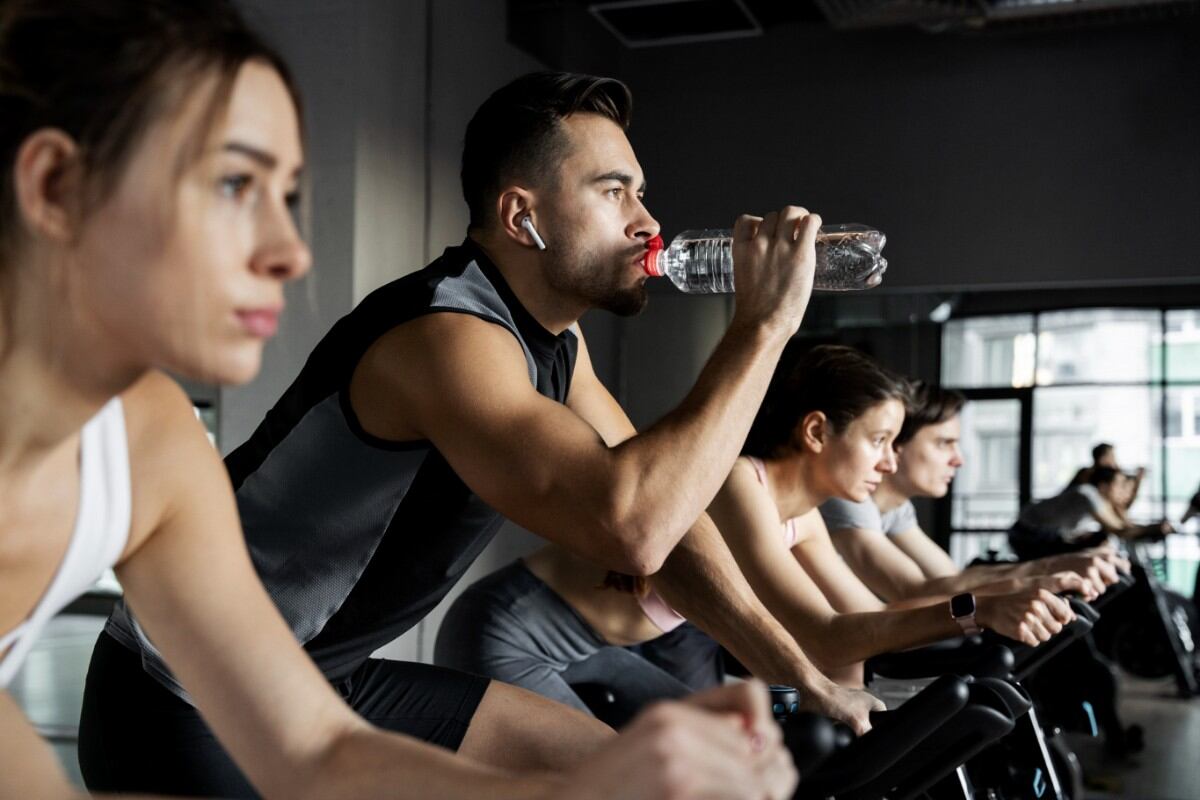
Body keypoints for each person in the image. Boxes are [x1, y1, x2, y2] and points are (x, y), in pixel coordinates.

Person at [2, 4, 794, 799]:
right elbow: (636, 523)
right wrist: (760, 329)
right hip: (178, 710)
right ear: (54, 187)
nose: (293, 251)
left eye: (289, 193)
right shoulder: (447, 339)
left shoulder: (154, 440)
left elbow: (315, 749)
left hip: (319, 678)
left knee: (586, 758)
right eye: (236, 182)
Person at [435, 345, 1080, 706]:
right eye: (881, 440)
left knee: (722, 745)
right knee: (628, 777)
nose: (890, 461)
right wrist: (975, 609)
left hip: (600, 647)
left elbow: (863, 626)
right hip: (510, 633)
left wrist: (987, 606)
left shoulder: (803, 521)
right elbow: (824, 639)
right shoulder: (739, 483)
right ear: (817, 432)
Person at [821, 382, 1129, 603]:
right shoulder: (849, 501)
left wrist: (1062, 567)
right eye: (944, 443)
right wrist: (1053, 567)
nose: (959, 459)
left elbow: (947, 580)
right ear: (896, 444)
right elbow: (911, 590)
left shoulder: (896, 509)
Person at [1009, 467, 1174, 561]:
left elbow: (1124, 525)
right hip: (1027, 534)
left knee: (1100, 542)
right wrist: (1154, 529)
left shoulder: (1098, 498)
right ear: (1103, 486)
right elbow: (1118, 529)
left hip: (1044, 534)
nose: (1121, 491)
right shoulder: (1088, 495)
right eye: (1119, 485)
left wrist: (1153, 528)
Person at [1067, 442, 1144, 509]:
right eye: (1112, 456)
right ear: (1102, 459)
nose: (1115, 461)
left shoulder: (1100, 475)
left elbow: (1121, 506)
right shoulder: (1088, 475)